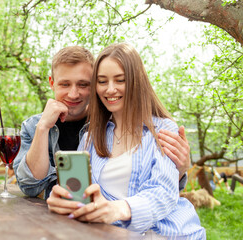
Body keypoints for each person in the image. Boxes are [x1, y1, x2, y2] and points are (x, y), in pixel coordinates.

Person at [47, 43, 205, 239]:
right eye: (102, 81)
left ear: (136, 81)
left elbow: (163, 192)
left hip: (168, 233)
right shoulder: (90, 138)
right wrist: (63, 200)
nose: (110, 89)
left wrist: (117, 209)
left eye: (120, 80)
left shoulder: (163, 130)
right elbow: (84, 197)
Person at [13, 46, 191, 200]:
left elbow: (156, 188)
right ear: (52, 83)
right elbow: (30, 187)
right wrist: (43, 128)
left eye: (83, 85)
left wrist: (180, 170)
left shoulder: (113, 123)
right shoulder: (34, 126)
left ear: (94, 85)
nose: (73, 94)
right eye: (65, 84)